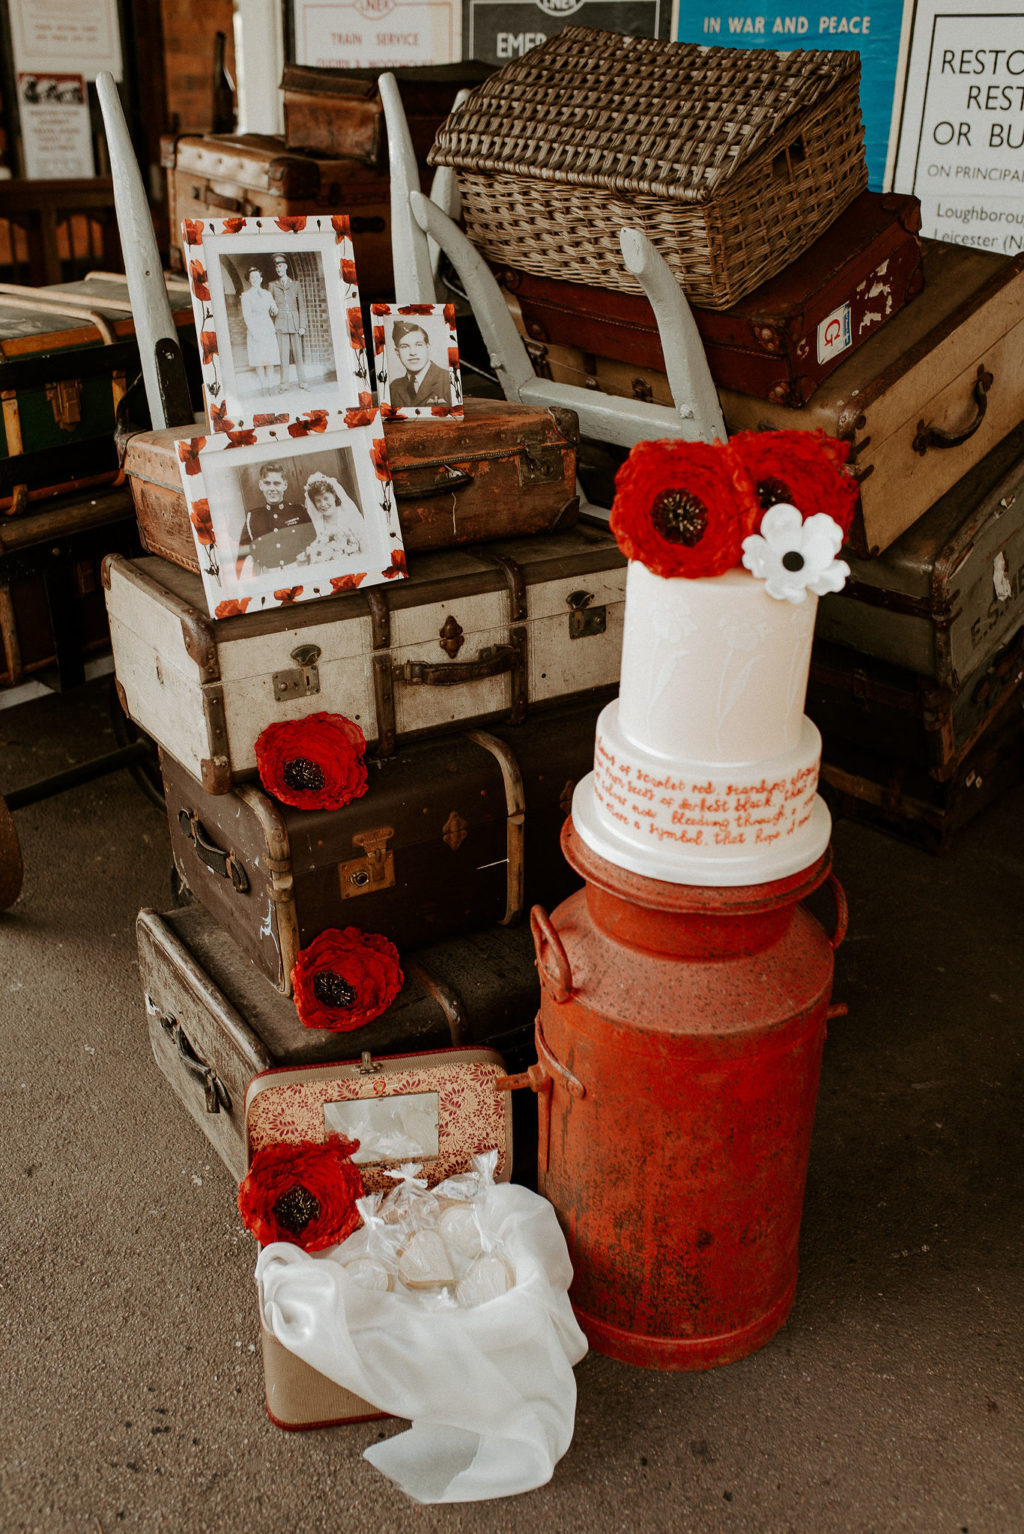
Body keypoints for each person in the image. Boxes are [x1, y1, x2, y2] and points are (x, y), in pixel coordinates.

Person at [237, 462, 316, 574]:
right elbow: (242, 554)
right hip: (269, 575)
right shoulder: (253, 517)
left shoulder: (299, 511)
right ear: (261, 485)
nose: (272, 488)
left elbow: (314, 543)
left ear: (285, 485)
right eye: (267, 483)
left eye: (277, 483)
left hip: (298, 570)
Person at [297, 471, 365, 566]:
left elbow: (365, 547)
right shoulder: (316, 524)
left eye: (326, 498)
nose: (323, 504)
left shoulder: (350, 516)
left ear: (334, 496)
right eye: (318, 501)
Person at [389, 320, 451, 410]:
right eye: (405, 346)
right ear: (397, 352)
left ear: (428, 347)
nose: (413, 353)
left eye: (418, 345)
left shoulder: (449, 380)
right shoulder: (394, 387)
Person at [269, 253, 307, 393]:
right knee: (283, 355)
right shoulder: (272, 285)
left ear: (285, 266)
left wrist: (302, 325)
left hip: (295, 324)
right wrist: (273, 312)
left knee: (298, 354)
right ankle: (284, 383)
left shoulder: (295, 284)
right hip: (280, 324)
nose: (278, 269)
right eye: (276, 267)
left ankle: (302, 381)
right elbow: (270, 307)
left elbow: (301, 306)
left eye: (280, 266)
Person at [239, 265, 278, 397]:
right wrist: (254, 332)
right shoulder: (246, 296)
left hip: (267, 328)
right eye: (252, 277)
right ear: (249, 280)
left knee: (269, 359)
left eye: (257, 277)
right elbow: (247, 316)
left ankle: (271, 385)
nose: (255, 279)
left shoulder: (267, 294)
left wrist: (274, 309)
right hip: (256, 329)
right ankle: (264, 387)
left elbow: (273, 309)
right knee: (260, 360)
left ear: (261, 279)